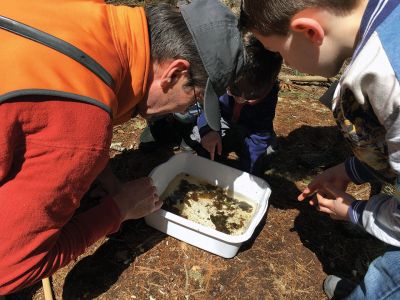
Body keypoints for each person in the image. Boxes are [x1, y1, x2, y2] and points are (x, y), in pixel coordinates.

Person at [0, 0, 243, 294]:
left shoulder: (86, 11)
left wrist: (105, 177)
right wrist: (119, 209)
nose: (181, 111)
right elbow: (12, 267)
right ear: (175, 73)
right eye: (192, 100)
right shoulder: (81, 126)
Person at [240, 0, 400, 299]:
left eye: (279, 52)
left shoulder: (390, 80)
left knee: (391, 276)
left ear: (309, 32)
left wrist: (356, 211)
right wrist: (350, 169)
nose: (284, 63)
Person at [193, 33, 282, 175]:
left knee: (268, 152)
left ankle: (239, 145)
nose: (241, 100)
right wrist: (209, 130)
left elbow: (260, 132)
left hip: (250, 128)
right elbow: (207, 109)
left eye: (252, 97)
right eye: (234, 93)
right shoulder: (221, 78)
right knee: (199, 136)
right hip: (222, 120)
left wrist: (250, 171)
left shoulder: (269, 95)